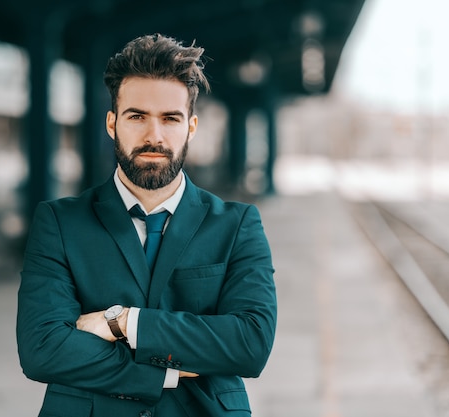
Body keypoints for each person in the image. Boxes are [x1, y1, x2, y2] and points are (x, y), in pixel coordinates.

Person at [16, 33, 277, 417]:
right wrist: (164, 374)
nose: (154, 135)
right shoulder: (59, 222)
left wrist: (124, 322)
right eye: (137, 116)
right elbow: (43, 348)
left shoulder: (238, 225)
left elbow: (250, 344)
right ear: (111, 123)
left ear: (190, 126)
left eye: (170, 118)